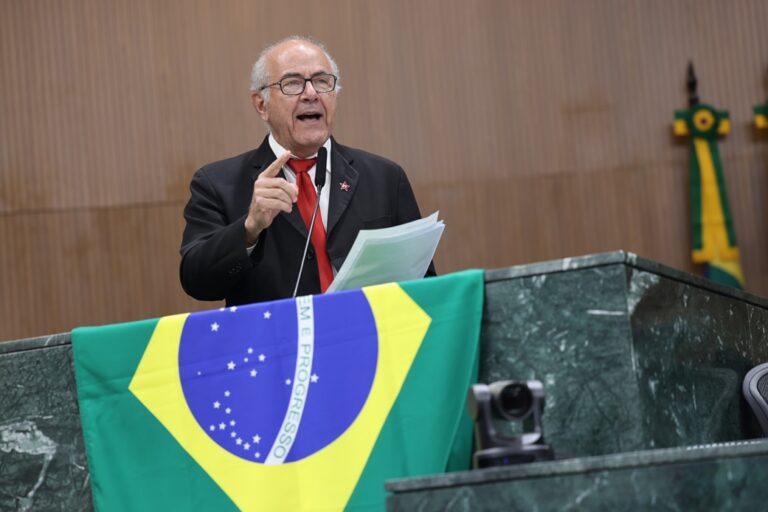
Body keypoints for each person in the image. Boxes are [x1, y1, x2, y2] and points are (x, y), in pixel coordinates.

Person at [180, 36, 434, 305]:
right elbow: (197, 282)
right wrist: (249, 229)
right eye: (292, 83)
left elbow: (422, 281)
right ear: (261, 105)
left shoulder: (385, 178)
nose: (311, 94)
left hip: (367, 329)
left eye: (322, 81)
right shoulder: (217, 183)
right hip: (278, 332)